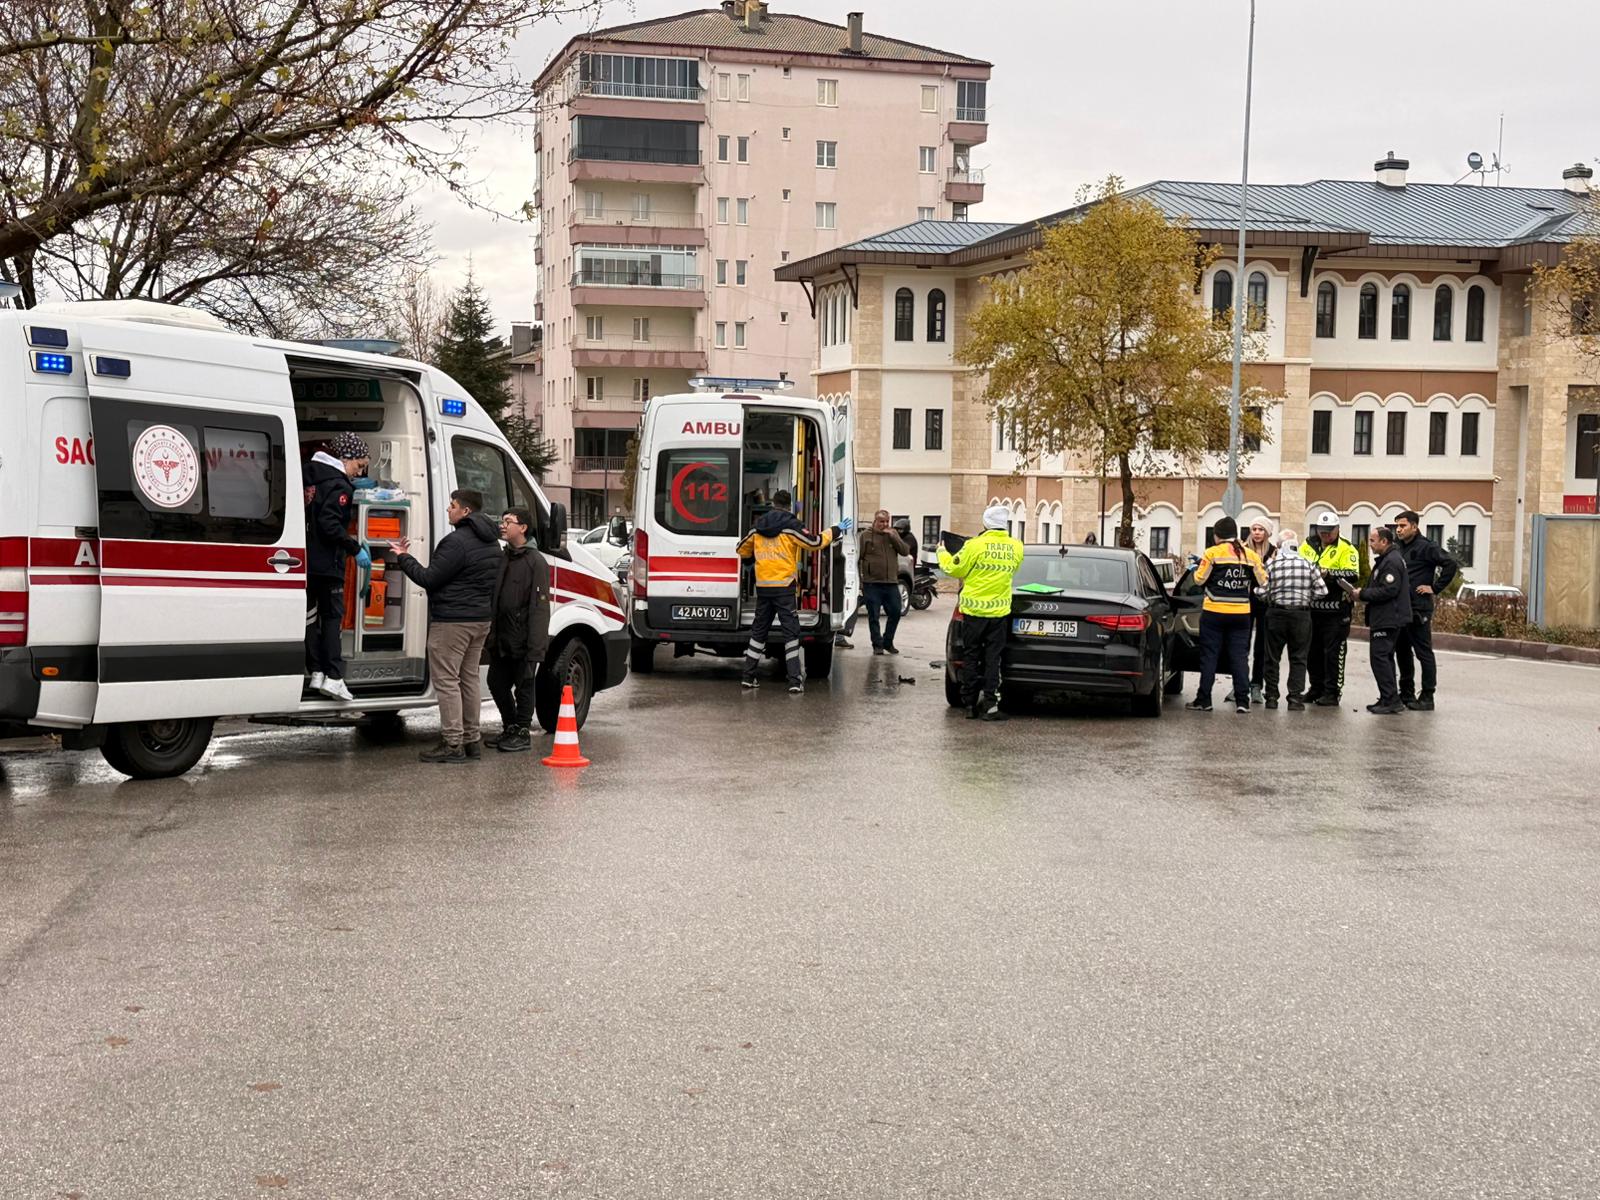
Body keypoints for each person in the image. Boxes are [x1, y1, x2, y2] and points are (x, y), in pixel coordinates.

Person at [391, 489, 503, 762]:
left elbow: (429, 578)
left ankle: (453, 744)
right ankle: (471, 740)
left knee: (447, 681)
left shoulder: (456, 542)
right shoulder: (491, 542)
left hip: (453, 621)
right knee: (469, 678)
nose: (448, 510)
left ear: (466, 511)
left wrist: (403, 557)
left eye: (452, 506)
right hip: (480, 619)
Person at [736, 490, 849, 694]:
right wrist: (835, 530)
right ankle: (795, 681)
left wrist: (753, 559)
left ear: (773, 504)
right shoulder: (791, 525)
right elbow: (815, 542)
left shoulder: (758, 526)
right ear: (790, 506)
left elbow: (741, 549)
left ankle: (748, 677)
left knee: (759, 632)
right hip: (784, 588)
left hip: (764, 588)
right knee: (790, 633)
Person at [938, 505, 1025, 721]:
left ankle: (969, 704)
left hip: (973, 611)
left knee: (971, 656)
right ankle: (990, 706)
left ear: (985, 523)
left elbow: (954, 569)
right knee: (993, 659)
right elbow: (1013, 571)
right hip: (998, 613)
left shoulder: (974, 545)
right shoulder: (1016, 547)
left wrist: (942, 552)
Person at [303, 432, 371, 703]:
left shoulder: (308, 476)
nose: (359, 472)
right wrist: (354, 548)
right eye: (359, 465)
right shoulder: (339, 486)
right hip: (328, 564)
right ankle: (333, 676)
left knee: (309, 619)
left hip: (306, 562)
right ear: (345, 458)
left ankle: (316, 671)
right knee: (332, 619)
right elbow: (330, 524)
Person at [1185, 516, 1269, 713]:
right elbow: (1263, 581)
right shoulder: (1250, 555)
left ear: (1217, 536)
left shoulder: (1212, 553)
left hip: (1214, 612)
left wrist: (1198, 568)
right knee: (1239, 657)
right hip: (1241, 614)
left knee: (1209, 656)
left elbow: (1199, 580)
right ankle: (1242, 701)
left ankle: (1204, 700)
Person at [485, 507, 551, 754]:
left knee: (524, 685)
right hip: (501, 636)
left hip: (523, 638)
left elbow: (540, 607)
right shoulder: (505, 556)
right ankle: (510, 725)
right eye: (502, 521)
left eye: (508, 522)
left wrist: (536, 647)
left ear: (522, 528)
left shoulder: (536, 561)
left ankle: (523, 731)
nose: (503, 525)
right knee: (496, 682)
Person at [1393, 510, 1458, 711]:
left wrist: (1435, 588)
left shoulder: (1426, 547)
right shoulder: (1398, 548)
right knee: (1402, 652)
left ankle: (1428, 696)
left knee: (1423, 653)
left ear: (1414, 526)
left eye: (1402, 526)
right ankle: (1406, 693)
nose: (1398, 530)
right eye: (1397, 526)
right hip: (1401, 608)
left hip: (1419, 608)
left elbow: (1450, 563)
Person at [1258, 528, 1325, 710]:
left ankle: (1271, 697)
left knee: (1272, 658)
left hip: (1276, 614)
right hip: (1301, 616)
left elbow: (1261, 592)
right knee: (1299, 658)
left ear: (1280, 546)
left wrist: (1271, 597)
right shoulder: (1309, 564)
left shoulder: (1271, 565)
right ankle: (1295, 699)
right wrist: (1305, 599)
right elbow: (1322, 590)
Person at [1299, 512, 1360, 707]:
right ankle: (1316, 687)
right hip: (1312, 609)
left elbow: (1353, 574)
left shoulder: (1346, 548)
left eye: (1329, 531)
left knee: (1333, 653)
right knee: (1312, 651)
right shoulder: (1308, 545)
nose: (1325, 535)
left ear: (1337, 529)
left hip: (1336, 610)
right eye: (1322, 531)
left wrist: (1329, 574)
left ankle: (1332, 692)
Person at [1356, 525, 1413, 715]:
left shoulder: (1391, 562)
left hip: (1388, 617)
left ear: (1384, 541)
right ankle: (1388, 697)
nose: (1370, 545)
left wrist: (1362, 594)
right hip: (1385, 617)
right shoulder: (1387, 559)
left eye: (1372, 541)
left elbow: (1389, 590)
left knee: (1380, 658)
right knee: (1385, 658)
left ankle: (1391, 700)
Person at [858, 509, 910, 655]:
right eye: (882, 521)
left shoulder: (892, 535)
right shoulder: (865, 536)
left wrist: (895, 537)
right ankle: (877, 645)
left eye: (887, 521)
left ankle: (888, 641)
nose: (885, 524)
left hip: (891, 582)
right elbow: (858, 558)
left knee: (895, 612)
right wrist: (861, 579)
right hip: (872, 583)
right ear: (875, 521)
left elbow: (905, 551)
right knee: (873, 616)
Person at [1243, 518, 1277, 706]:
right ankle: (1240, 682)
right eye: (1254, 529)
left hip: (1265, 602)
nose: (1256, 532)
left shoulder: (1274, 552)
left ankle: (1256, 684)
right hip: (1245, 601)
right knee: (1242, 644)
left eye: (1260, 529)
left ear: (1267, 533)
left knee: (1262, 646)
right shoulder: (1243, 550)